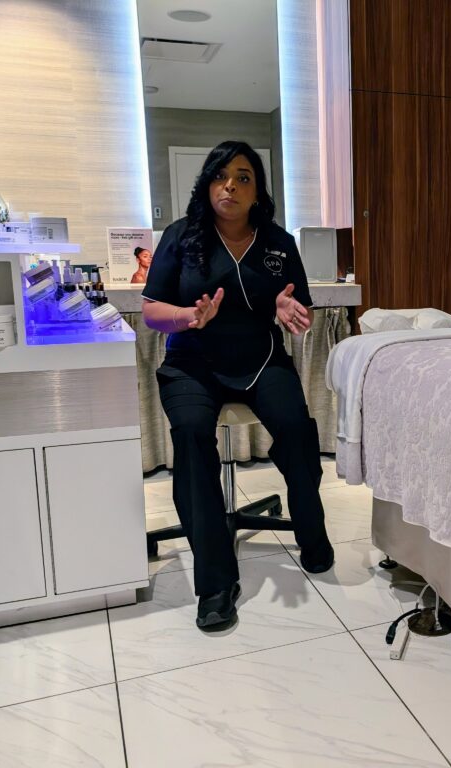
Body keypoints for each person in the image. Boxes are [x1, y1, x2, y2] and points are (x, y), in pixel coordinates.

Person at [141, 141, 332, 630]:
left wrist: (291, 313)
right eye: (221, 175)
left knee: (295, 426)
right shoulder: (180, 237)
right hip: (192, 364)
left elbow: (298, 309)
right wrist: (186, 316)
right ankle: (216, 584)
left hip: (262, 360)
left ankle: (312, 531)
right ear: (207, 183)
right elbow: (151, 311)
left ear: (257, 191)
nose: (231, 185)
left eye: (244, 177)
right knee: (190, 436)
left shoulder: (278, 243)